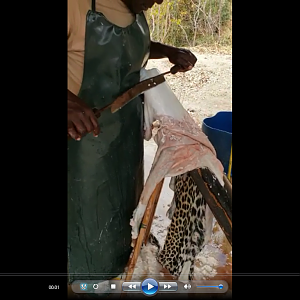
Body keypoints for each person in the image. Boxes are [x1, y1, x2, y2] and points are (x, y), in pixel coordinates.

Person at [67, 0, 197, 288]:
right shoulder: (76, 6)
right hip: (83, 146)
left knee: (123, 207)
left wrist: (168, 52)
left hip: (126, 135)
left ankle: (122, 259)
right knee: (87, 224)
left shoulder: (136, 12)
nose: (160, 0)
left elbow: (134, 46)